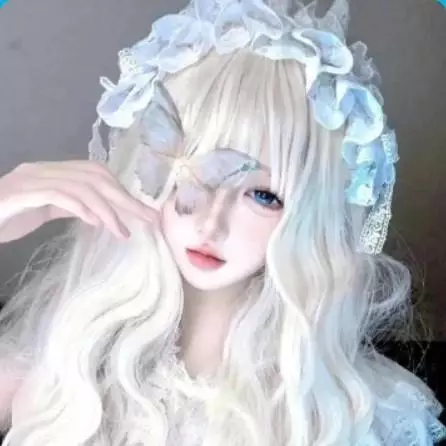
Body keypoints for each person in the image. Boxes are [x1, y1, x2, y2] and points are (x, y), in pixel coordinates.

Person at [0, 0, 445, 444]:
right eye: (193, 171)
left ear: (309, 219)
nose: (211, 224)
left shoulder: (355, 416)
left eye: (263, 195)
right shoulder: (60, 372)